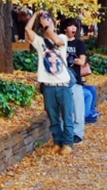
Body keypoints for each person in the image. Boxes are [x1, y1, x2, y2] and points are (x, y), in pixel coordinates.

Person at [27, 10, 74, 156]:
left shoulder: (62, 38)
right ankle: (57, 142)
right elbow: (27, 30)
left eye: (50, 21)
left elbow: (58, 42)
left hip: (63, 86)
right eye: (45, 22)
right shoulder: (40, 42)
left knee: (67, 117)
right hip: (48, 86)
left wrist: (48, 26)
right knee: (53, 118)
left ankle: (67, 144)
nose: (47, 23)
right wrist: (35, 15)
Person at [62, 21, 98, 141]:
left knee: (78, 107)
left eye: (75, 27)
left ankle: (78, 133)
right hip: (61, 80)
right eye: (70, 26)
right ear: (64, 28)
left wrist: (70, 58)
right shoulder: (59, 42)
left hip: (75, 79)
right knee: (65, 108)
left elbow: (82, 61)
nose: (73, 29)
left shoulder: (79, 43)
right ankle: (65, 133)